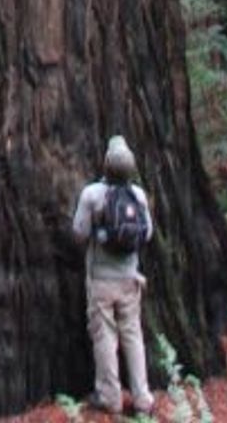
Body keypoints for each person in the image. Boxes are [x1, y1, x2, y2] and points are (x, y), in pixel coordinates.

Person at [72, 135, 154, 417]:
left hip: (100, 280)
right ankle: (143, 399)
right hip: (130, 279)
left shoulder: (93, 194)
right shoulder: (139, 196)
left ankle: (110, 395)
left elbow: (79, 232)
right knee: (133, 335)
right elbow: (148, 234)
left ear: (106, 165)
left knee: (104, 336)